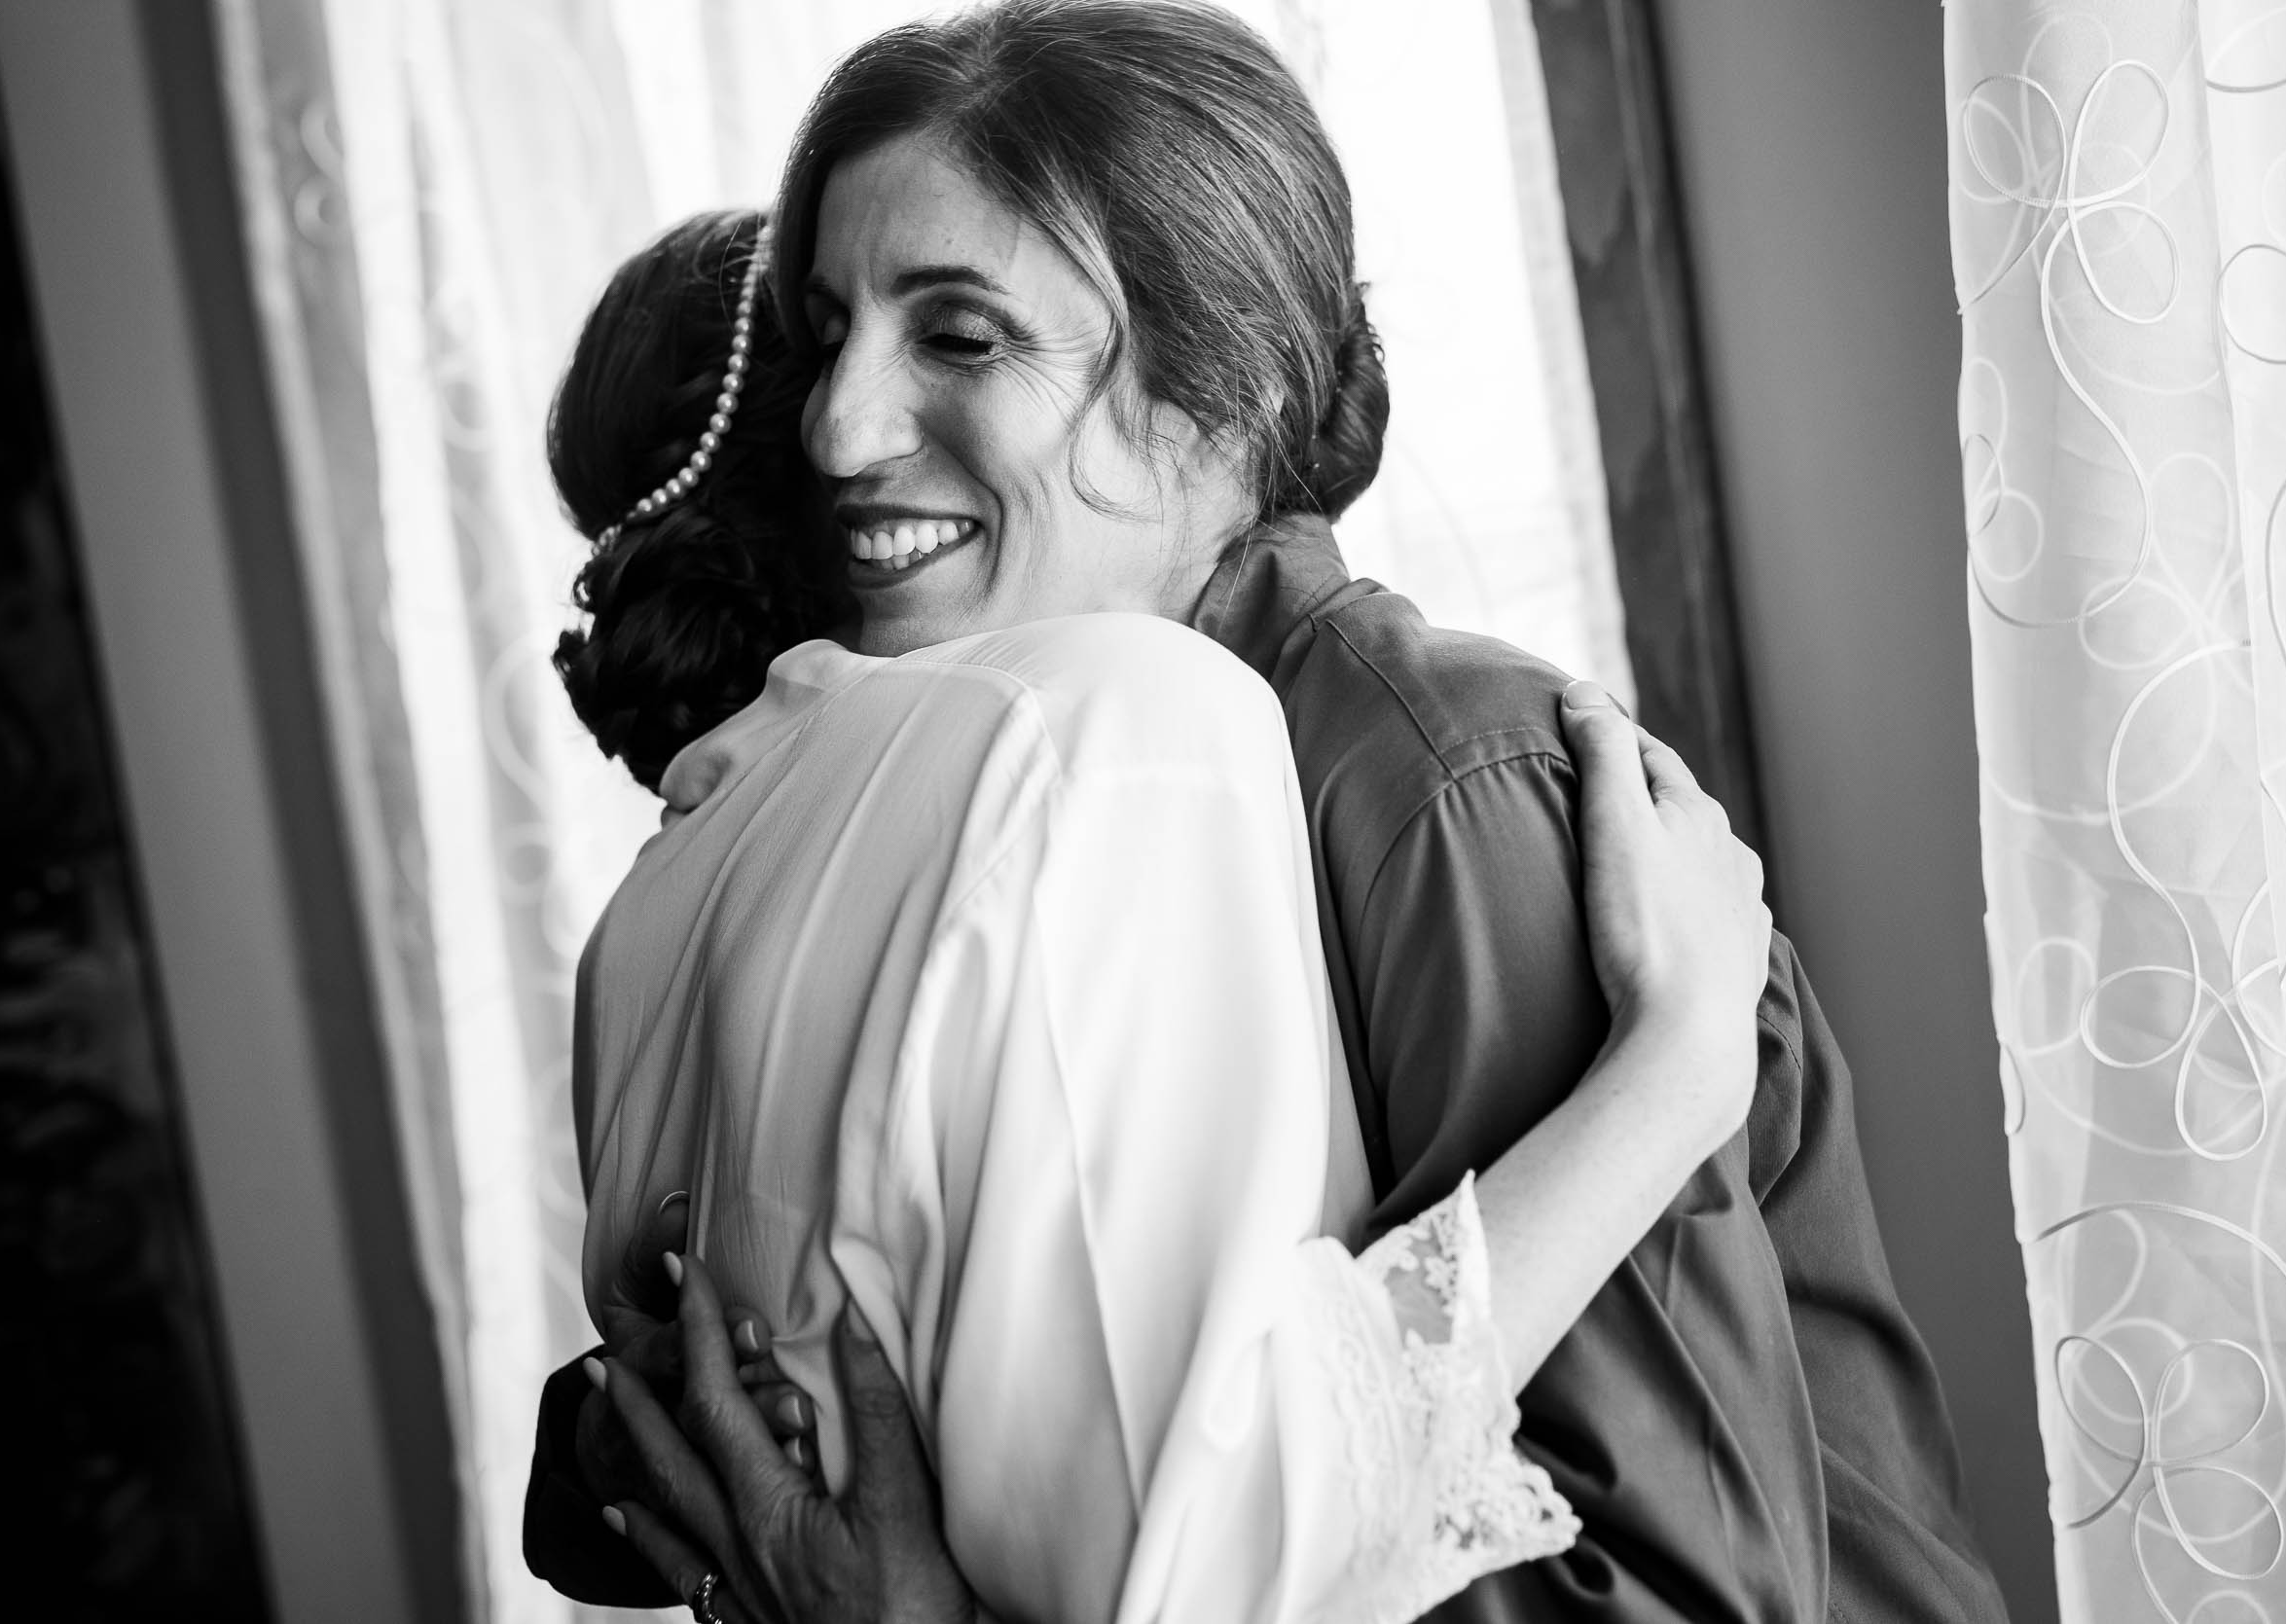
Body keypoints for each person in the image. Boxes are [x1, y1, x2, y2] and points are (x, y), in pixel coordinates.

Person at [527, 4, 2009, 1621]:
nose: (835, 431)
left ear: (1222, 390)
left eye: (961, 337)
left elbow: (1662, 1592)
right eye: (826, 343)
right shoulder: (1014, 814)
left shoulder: (1453, 791)